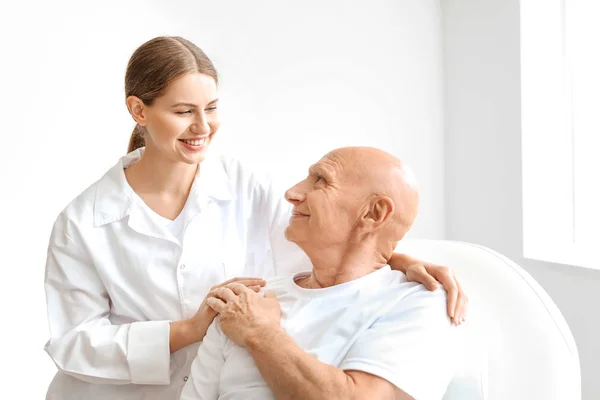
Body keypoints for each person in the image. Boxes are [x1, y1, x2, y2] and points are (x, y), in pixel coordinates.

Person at [43, 36, 467, 400]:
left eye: (211, 107)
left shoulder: (249, 186)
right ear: (139, 110)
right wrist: (190, 330)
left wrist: (397, 260)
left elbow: (332, 237)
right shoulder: (84, 221)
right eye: (183, 111)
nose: (202, 126)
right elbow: (74, 343)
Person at [180, 147, 457, 400]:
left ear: (374, 213)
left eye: (321, 180)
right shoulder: (246, 302)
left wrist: (261, 333)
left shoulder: (417, 303)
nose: (292, 193)